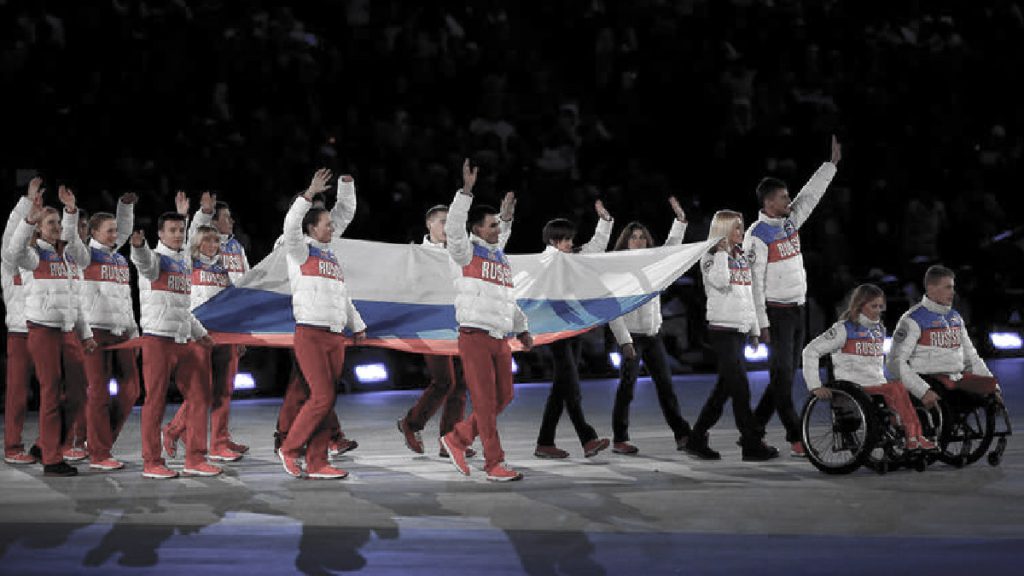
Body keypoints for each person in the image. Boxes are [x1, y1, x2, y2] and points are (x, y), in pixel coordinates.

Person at [396, 193, 514, 458]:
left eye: (451, 221)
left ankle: (447, 440)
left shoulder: (462, 249)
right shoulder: (417, 254)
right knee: (444, 381)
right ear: (429, 224)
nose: (447, 227)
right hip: (431, 324)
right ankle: (412, 424)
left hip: (461, 321)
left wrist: (505, 218)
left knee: (460, 383)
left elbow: (495, 245)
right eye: (442, 221)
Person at [745, 135, 841, 457]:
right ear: (768, 202)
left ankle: (752, 434)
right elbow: (754, 284)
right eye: (784, 197)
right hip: (776, 314)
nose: (790, 200)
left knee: (782, 378)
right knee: (782, 378)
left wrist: (830, 166)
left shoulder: (789, 223)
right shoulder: (757, 235)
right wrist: (761, 324)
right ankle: (795, 435)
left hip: (797, 310)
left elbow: (810, 195)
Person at [440, 159, 533, 482]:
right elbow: (454, 228)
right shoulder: (464, 253)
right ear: (477, 230)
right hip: (475, 335)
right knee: (483, 402)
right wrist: (465, 192)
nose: (497, 229)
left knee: (504, 397)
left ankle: (458, 438)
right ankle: (494, 463)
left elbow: (506, 297)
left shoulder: (498, 256)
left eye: (497, 225)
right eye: (491, 225)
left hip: (499, 337)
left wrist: (522, 328)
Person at [278, 169, 366, 480]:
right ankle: (290, 449)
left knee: (326, 400)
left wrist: (357, 324)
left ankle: (317, 462)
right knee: (321, 397)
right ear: (312, 228)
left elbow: (341, 294)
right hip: (310, 333)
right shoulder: (299, 251)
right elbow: (290, 225)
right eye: (327, 224)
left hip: (335, 335)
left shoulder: (330, 256)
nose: (332, 228)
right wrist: (308, 194)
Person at [2, 188, 95, 477]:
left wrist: (85, 333)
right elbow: (13, 250)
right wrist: (28, 218)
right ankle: (52, 458)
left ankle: (45, 444)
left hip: (67, 331)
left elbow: (75, 300)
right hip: (41, 329)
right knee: (50, 391)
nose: (55, 227)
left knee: (79, 392)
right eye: (50, 223)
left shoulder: (68, 259)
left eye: (58, 223)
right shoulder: (33, 256)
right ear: (39, 228)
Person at [131, 195, 220, 479]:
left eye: (180, 230)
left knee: (200, 397)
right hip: (158, 340)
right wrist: (138, 247)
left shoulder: (182, 261)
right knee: (155, 401)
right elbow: (144, 262)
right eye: (172, 230)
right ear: (160, 234)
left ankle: (195, 458)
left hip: (184, 339)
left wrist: (200, 334)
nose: (178, 234)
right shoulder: (154, 260)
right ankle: (152, 462)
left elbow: (182, 308)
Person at [684, 210, 778, 461]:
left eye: (741, 227)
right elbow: (721, 281)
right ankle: (751, 444)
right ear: (724, 230)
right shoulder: (710, 256)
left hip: (740, 331)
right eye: (736, 227)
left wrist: (754, 330)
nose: (741, 232)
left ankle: (696, 438)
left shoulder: (742, 256)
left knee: (724, 390)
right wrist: (721, 253)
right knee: (741, 390)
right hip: (722, 331)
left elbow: (749, 295)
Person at [164, 192, 250, 461]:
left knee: (224, 389)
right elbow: (188, 239)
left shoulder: (231, 256)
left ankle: (219, 442)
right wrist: (201, 213)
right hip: (200, 332)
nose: (232, 222)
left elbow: (242, 292)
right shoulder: (191, 259)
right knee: (202, 389)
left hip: (227, 331)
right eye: (226, 218)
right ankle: (175, 429)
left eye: (215, 240)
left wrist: (241, 331)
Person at [60, 187, 141, 470]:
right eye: (109, 231)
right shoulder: (84, 256)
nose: (115, 234)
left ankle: (99, 441)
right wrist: (70, 211)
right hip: (94, 332)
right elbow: (70, 238)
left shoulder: (120, 259)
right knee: (98, 392)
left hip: (122, 332)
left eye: (116, 230)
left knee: (132, 390)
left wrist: (134, 331)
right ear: (93, 233)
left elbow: (126, 298)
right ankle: (98, 453)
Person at [802, 284, 936, 450]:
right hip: (853, 385)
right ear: (860, 305)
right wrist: (815, 385)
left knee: (899, 387)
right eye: (874, 306)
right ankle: (911, 436)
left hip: (875, 384)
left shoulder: (879, 329)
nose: (878, 311)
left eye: (881, 306)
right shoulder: (843, 329)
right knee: (895, 388)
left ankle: (914, 435)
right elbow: (810, 351)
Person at [607, 197, 693, 454]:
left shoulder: (655, 266)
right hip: (631, 337)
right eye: (633, 237)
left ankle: (682, 435)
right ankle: (620, 438)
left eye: (642, 237)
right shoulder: (617, 270)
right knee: (627, 389)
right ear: (625, 241)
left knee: (666, 386)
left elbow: (671, 248)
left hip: (653, 335)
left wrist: (680, 221)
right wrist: (624, 341)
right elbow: (613, 309)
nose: (638, 241)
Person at [533, 200, 614, 459]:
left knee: (561, 387)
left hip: (575, 329)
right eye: (565, 239)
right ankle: (587, 438)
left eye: (570, 238)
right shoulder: (543, 264)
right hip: (556, 332)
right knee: (571, 386)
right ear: (553, 241)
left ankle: (545, 442)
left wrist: (605, 221)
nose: (570, 243)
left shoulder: (574, 258)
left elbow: (597, 246)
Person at [887, 265, 1000, 408]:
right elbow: (895, 362)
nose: (952, 292)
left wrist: (993, 387)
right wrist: (922, 391)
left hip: (955, 380)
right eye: (947, 288)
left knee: (990, 385)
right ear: (931, 289)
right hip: (930, 381)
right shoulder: (912, 319)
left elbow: (971, 357)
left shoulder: (955, 318)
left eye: (952, 287)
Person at [2, 178, 41, 465]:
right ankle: (13, 446)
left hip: (47, 331)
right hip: (20, 333)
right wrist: (26, 203)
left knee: (58, 390)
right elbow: (10, 234)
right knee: (17, 392)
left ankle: (48, 443)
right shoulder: (9, 260)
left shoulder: (42, 259)